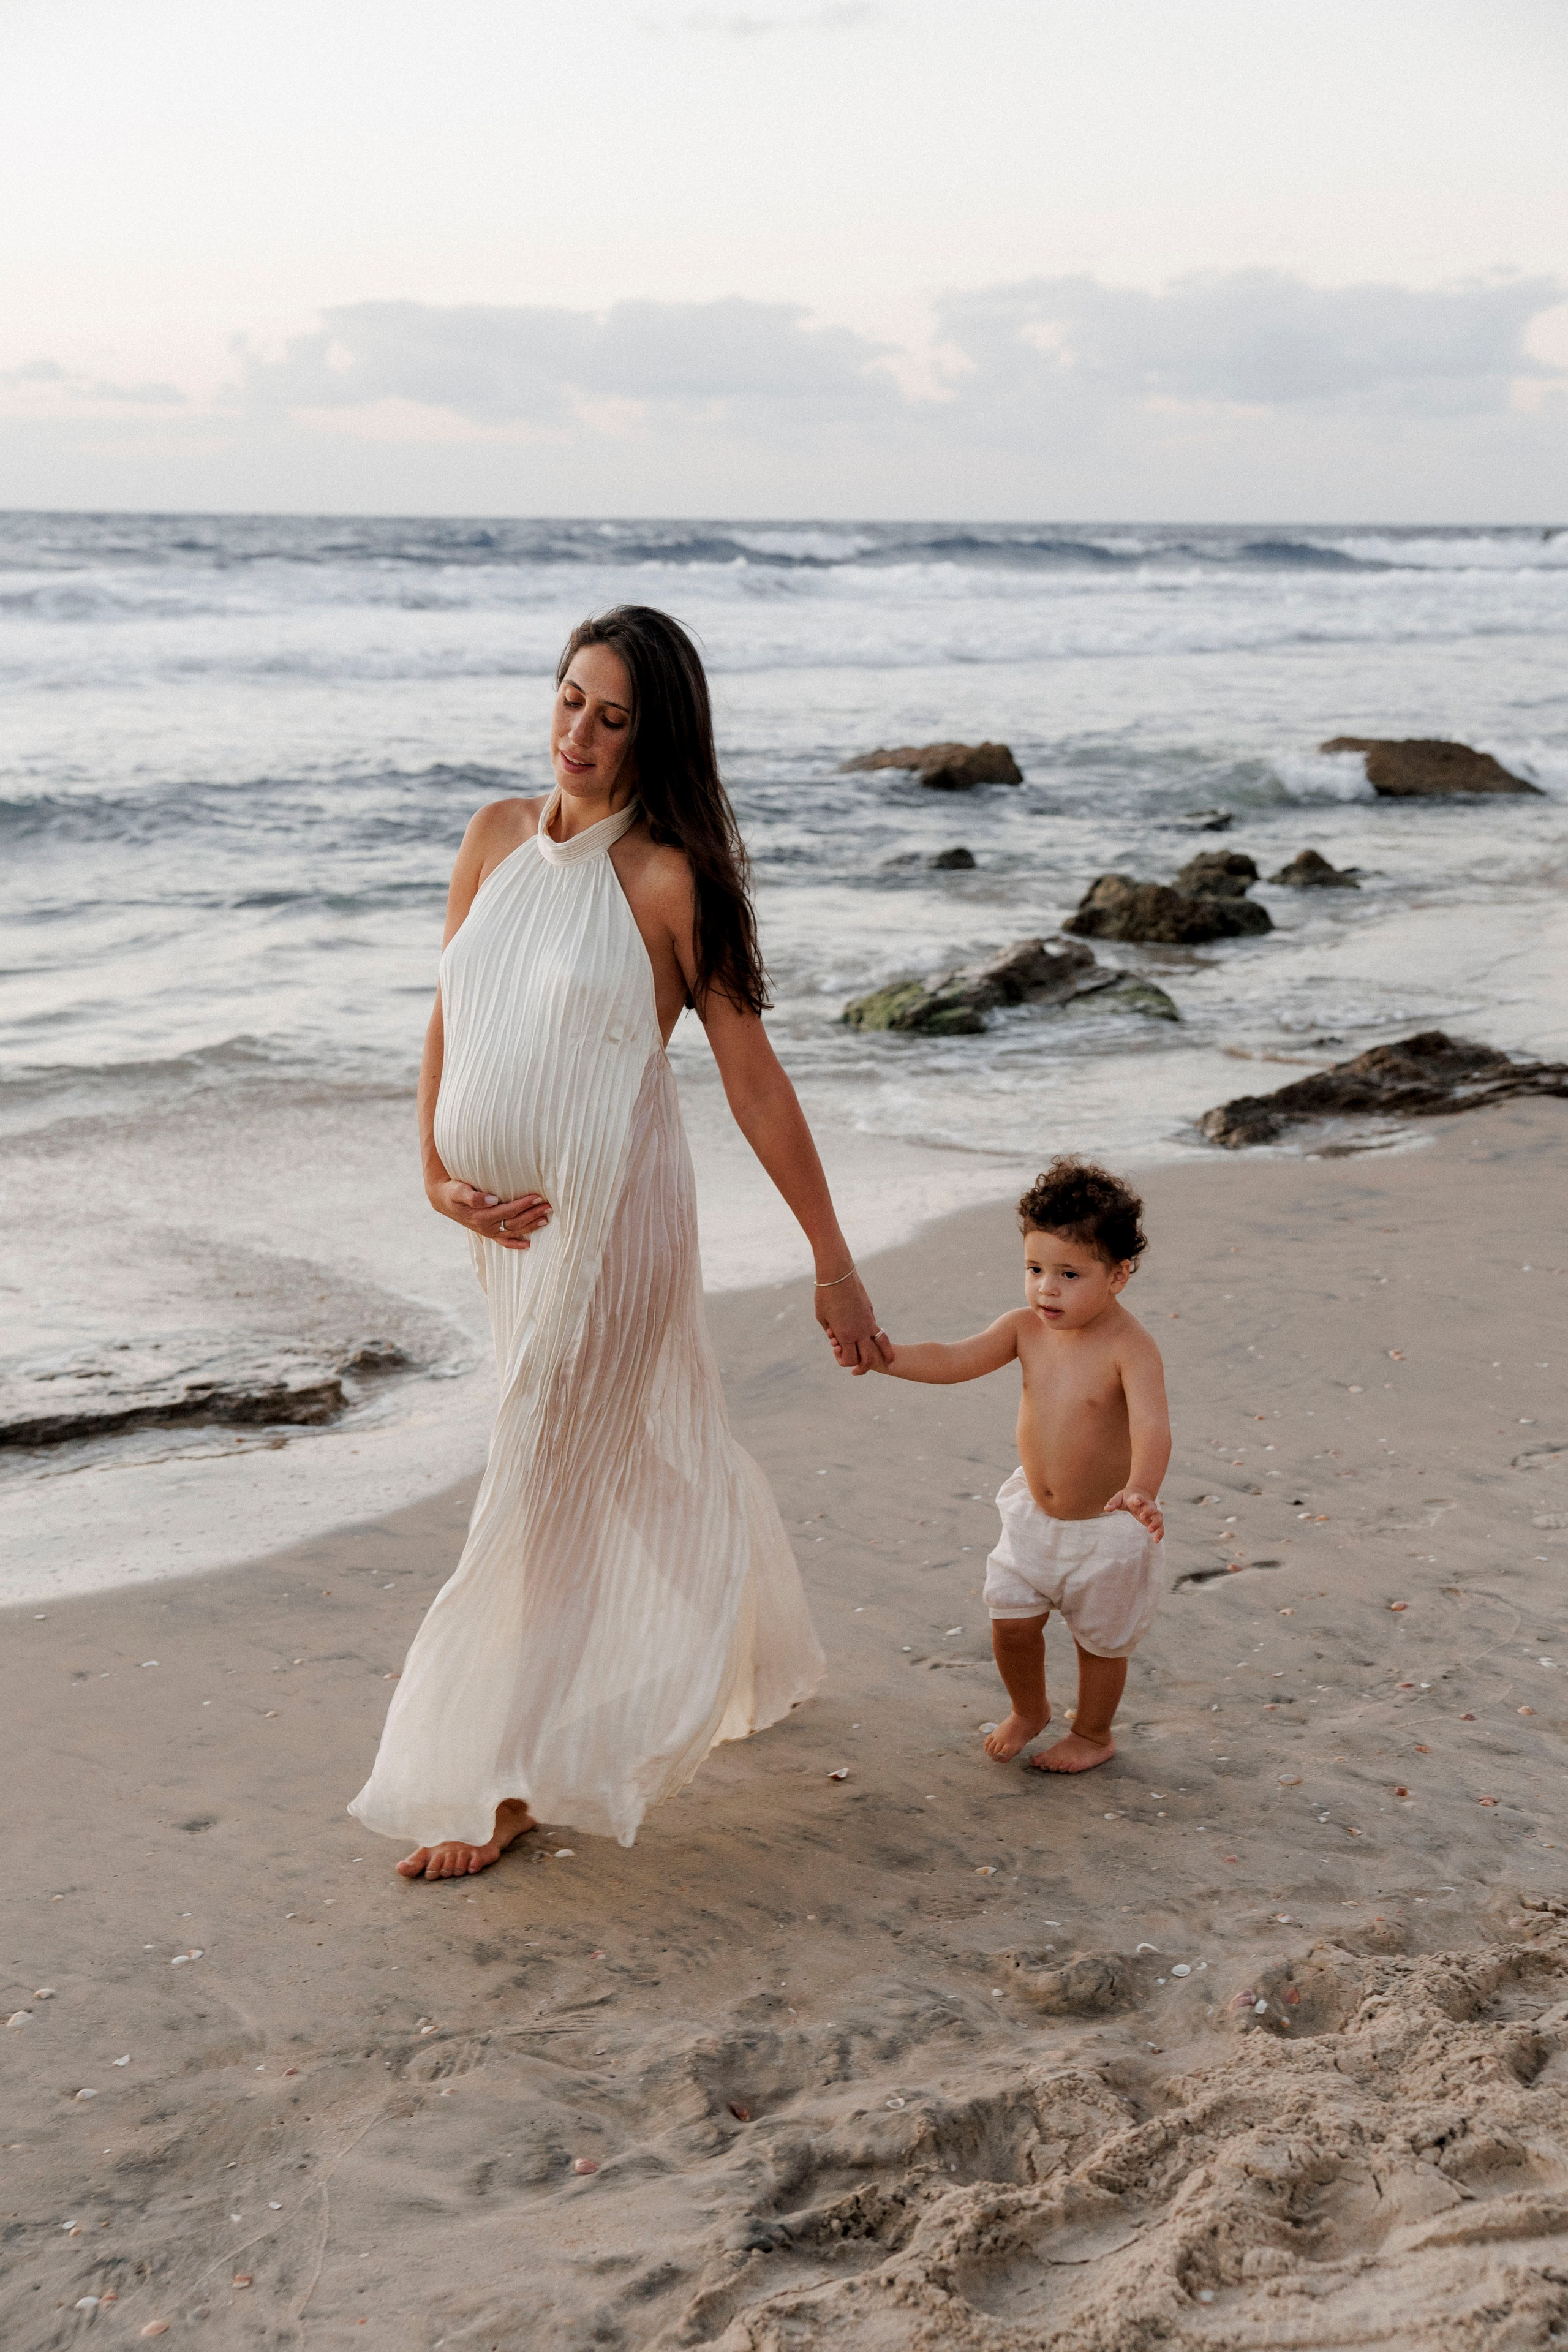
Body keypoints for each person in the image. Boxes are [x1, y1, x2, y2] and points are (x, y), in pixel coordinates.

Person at [350, 605, 890, 1878]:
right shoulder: (490, 836)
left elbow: (753, 1082)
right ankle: (751, 1640)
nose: (576, 734)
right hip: (506, 1236)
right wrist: (432, 1173)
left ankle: (503, 1776)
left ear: (656, 736)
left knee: (539, 1467)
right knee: (622, 1454)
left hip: (613, 1223)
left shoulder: (664, 881)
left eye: (610, 714)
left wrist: (831, 1256)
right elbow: (451, 1023)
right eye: (566, 700)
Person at [846, 1158, 1169, 1774]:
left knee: (1100, 1644)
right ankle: (1030, 1708)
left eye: (1069, 1274)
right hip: (1031, 1521)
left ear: (1118, 1276)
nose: (1046, 1288)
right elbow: (953, 1359)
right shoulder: (1023, 1329)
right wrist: (885, 1359)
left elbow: (1152, 1425)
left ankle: (1095, 1733)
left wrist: (1141, 1489)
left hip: (1105, 1527)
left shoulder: (1129, 1346)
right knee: (1011, 1624)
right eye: (1034, 1269)